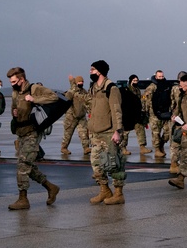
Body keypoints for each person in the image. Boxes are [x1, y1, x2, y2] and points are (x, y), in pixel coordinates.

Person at [7, 66, 61, 210]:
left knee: (23, 165)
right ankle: (51, 187)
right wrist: (14, 113)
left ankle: (23, 199)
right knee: (28, 167)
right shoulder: (15, 93)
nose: (12, 84)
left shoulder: (34, 88)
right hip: (21, 132)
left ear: (22, 79)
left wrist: (34, 99)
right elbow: (15, 109)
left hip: (32, 132)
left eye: (14, 81)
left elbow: (53, 97)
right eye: (10, 82)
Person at [88, 60, 126, 205]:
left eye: (92, 70)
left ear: (100, 71)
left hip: (109, 132)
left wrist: (117, 131)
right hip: (96, 132)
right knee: (96, 164)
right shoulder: (93, 88)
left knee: (114, 163)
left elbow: (116, 111)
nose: (90, 72)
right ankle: (104, 190)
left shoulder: (111, 88)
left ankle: (118, 194)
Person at [145, 70, 173, 159]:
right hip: (154, 113)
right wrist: (147, 111)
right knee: (156, 133)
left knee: (168, 132)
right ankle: (157, 149)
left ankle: (161, 145)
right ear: (156, 77)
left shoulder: (167, 86)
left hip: (165, 113)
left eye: (162, 76)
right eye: (159, 76)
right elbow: (146, 100)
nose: (161, 78)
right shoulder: (152, 87)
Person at [61, 75, 90, 156]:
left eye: (82, 81)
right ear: (76, 82)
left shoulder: (84, 92)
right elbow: (66, 100)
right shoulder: (71, 91)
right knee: (68, 134)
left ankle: (86, 148)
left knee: (83, 133)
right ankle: (64, 148)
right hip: (71, 116)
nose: (81, 83)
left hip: (81, 116)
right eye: (79, 82)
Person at [119, 75, 147, 156]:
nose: (135, 82)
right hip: (128, 113)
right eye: (134, 80)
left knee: (140, 129)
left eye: (136, 80)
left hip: (136, 113)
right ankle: (123, 148)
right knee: (125, 132)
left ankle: (142, 146)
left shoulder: (137, 90)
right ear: (130, 81)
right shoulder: (127, 90)